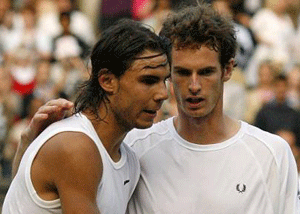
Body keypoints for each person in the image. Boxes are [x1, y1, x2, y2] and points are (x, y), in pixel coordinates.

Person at [13, 2, 299, 214]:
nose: (192, 86)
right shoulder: (117, 146)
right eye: (180, 73)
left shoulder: (272, 154)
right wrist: (31, 146)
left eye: (206, 72)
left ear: (228, 70)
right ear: (107, 80)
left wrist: (28, 147)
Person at [3, 18, 171, 213]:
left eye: (164, 80)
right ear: (107, 81)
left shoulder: (129, 160)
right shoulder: (75, 147)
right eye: (149, 80)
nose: (163, 94)